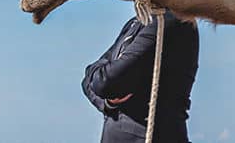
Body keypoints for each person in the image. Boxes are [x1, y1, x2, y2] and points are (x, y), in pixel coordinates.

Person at [81, 10, 199, 143]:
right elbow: (88, 82)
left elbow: (106, 83)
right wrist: (108, 103)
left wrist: (99, 75)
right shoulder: (135, 23)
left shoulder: (171, 21)